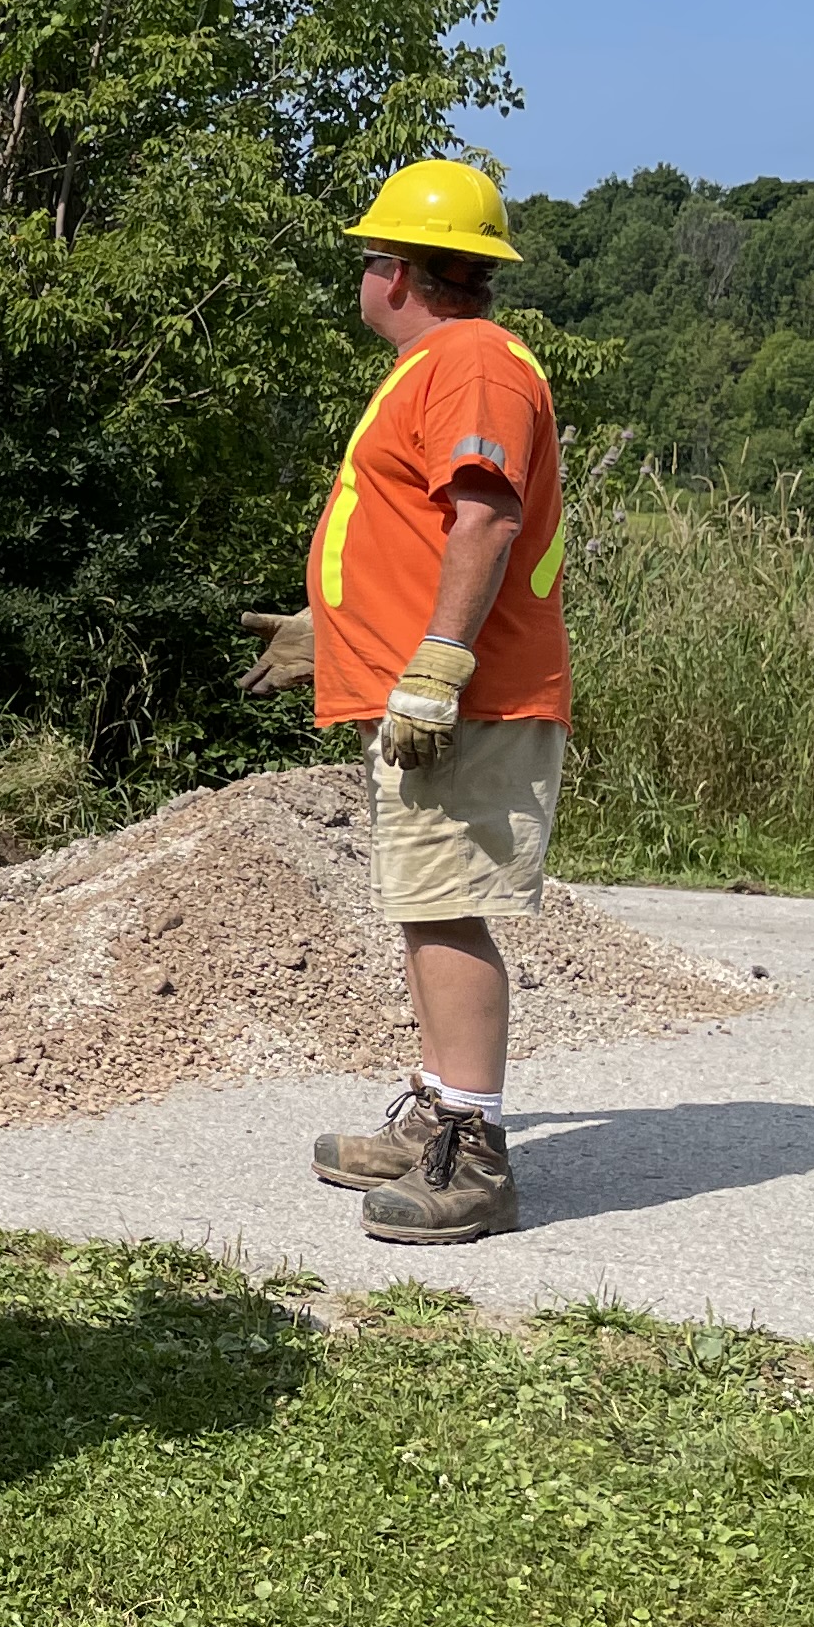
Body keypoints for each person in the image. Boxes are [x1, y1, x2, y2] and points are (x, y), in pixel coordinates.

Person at [239, 161, 569, 1245]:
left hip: (467, 698)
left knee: (446, 904)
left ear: (398, 274)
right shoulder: (446, 363)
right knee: (426, 902)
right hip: (436, 691)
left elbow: (483, 518)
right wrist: (338, 627)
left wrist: (437, 662)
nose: (363, 277)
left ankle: (471, 1157)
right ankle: (438, 1113)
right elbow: (420, 537)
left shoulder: (470, 364)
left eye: (369, 259)